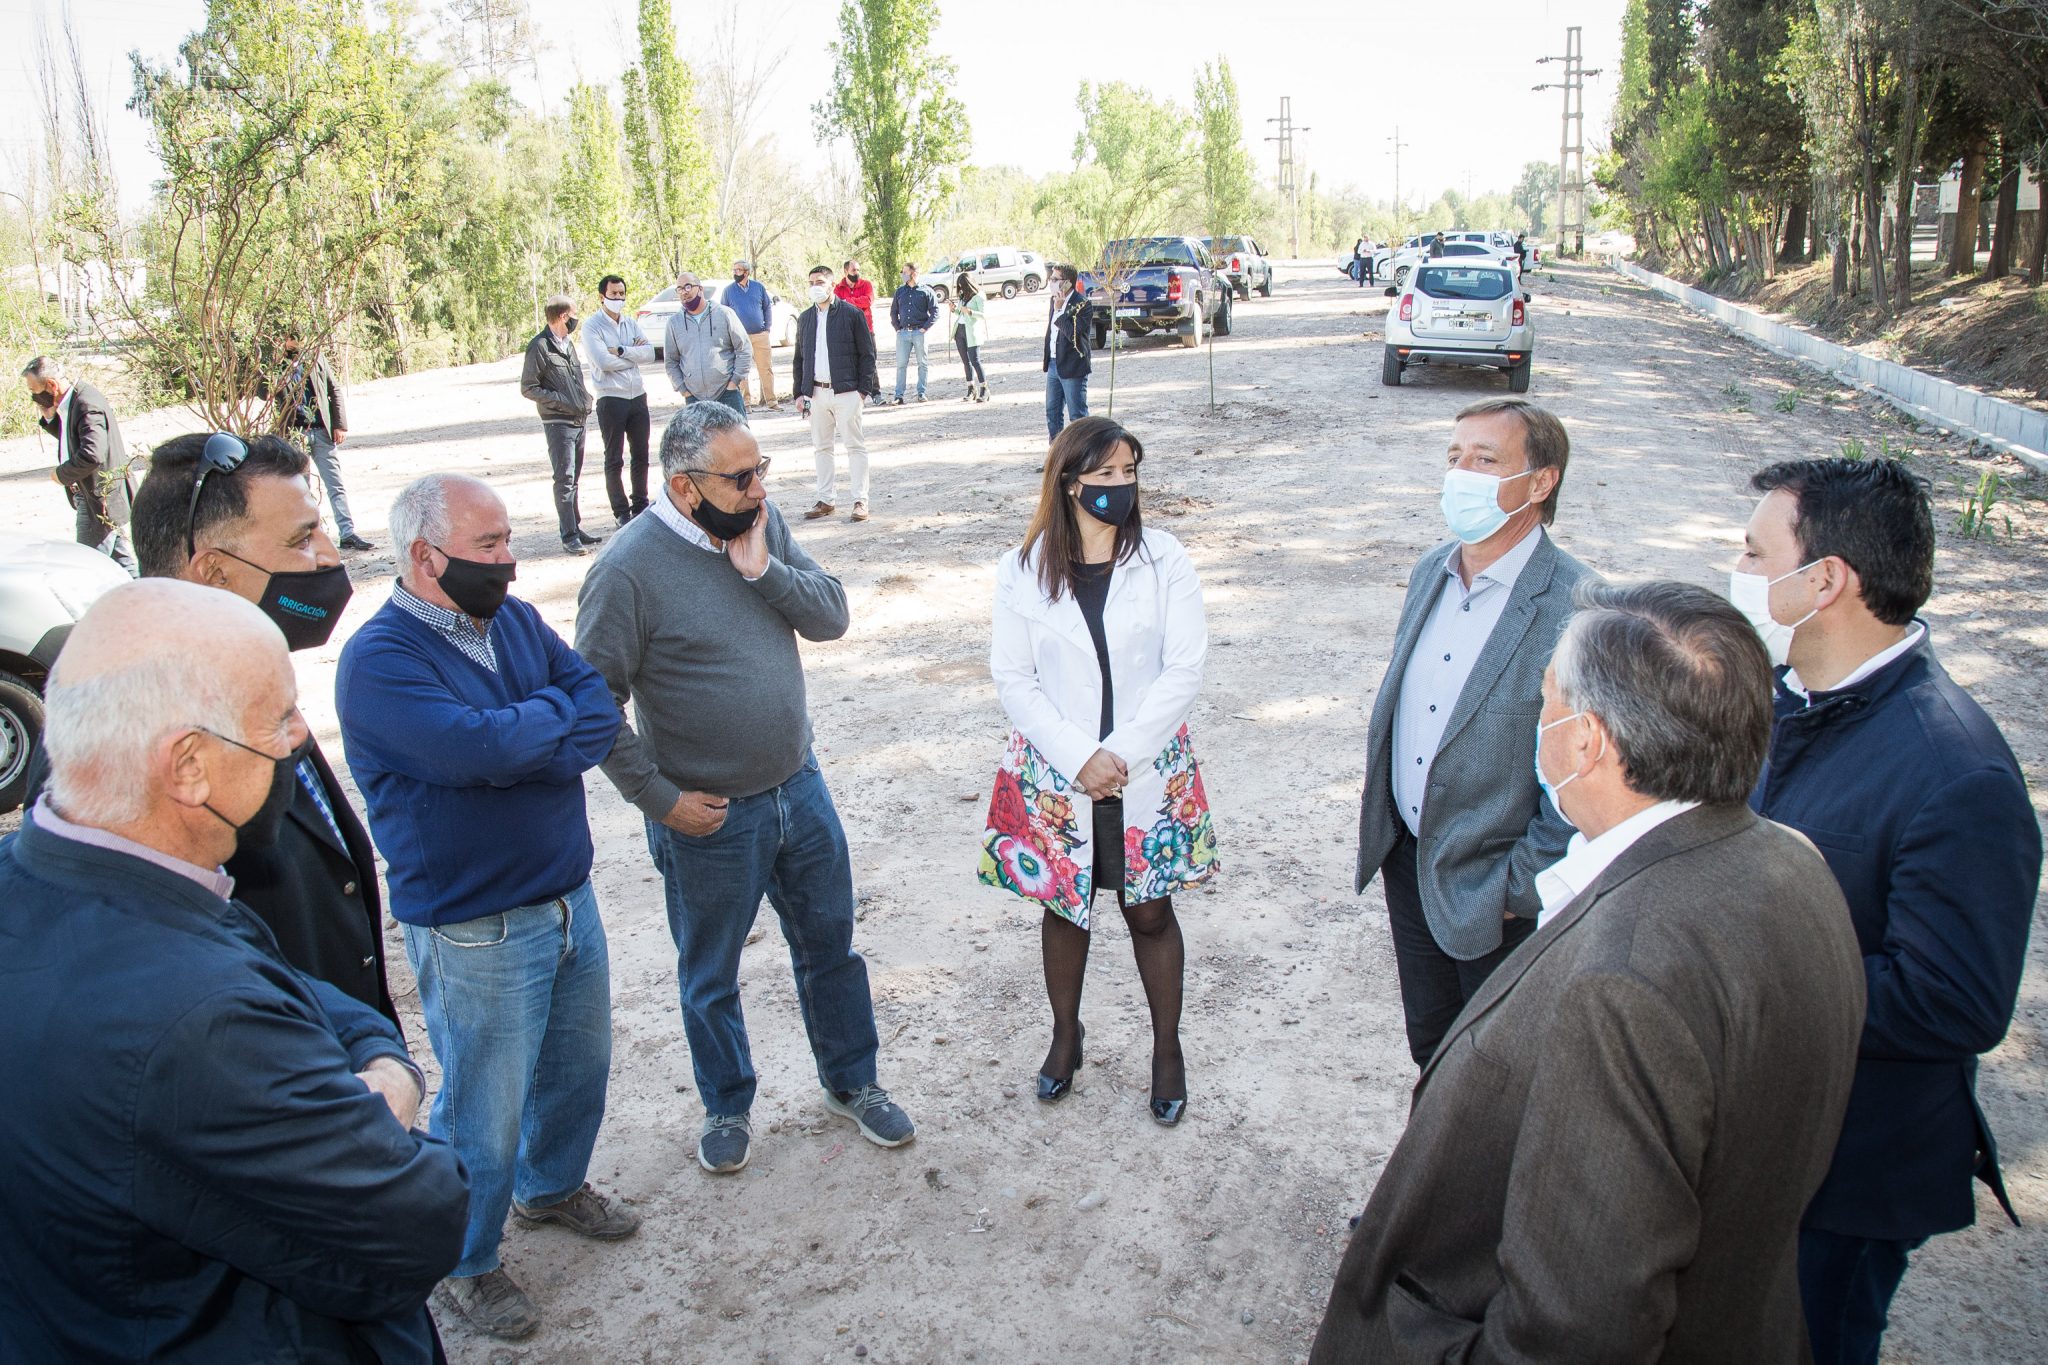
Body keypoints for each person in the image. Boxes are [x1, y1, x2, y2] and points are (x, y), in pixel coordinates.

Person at [1312, 581, 1866, 1363]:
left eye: (1546, 700)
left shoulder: (1622, 986)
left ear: (1587, 742)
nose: (1537, 720)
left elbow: (1576, 1330)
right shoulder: (1793, 861)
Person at [0, 579, 468, 1362]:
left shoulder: (81, 879)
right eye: (279, 717)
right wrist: (391, 1083)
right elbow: (422, 1216)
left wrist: (364, 1048)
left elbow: (292, 987)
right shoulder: (197, 1018)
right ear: (188, 765)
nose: (299, 736)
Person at [1731, 457, 2042, 1365]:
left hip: (1846, 1173)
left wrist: (1742, 981)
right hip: (1768, 1135)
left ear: (1825, 580)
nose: (1738, 570)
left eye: (1754, 553)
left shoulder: (1956, 771)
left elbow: (1954, 999)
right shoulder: (1787, 699)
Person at [576, 401, 915, 1177]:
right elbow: (591, 704)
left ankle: (852, 1082)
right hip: (708, 818)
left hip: (801, 786)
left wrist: (764, 572)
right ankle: (726, 1103)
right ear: (683, 486)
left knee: (830, 947)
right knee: (711, 973)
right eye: (739, 478)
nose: (758, 488)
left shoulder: (760, 524)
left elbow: (831, 616)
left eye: (760, 469)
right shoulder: (626, 570)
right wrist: (661, 799)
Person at [336, 473, 634, 1341]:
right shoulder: (379, 660)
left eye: (507, 539)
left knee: (578, 1069)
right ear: (425, 556)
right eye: (490, 544)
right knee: (483, 1109)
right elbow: (476, 751)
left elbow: (595, 704)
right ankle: (464, 1260)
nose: (509, 560)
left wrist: (522, 736)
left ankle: (552, 1187)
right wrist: (535, 731)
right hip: (477, 925)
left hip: (567, 896)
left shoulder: (515, 621)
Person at [118, 431, 399, 1021]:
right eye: (302, 539)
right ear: (215, 573)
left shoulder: (247, 673)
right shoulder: (133, 740)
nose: (330, 557)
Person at [984, 416, 1214, 1125]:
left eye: (1129, 471)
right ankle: (1065, 1035)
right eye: (1105, 473)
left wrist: (1122, 753)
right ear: (1068, 481)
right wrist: (1080, 757)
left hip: (1145, 770)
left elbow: (1185, 667)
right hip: (1060, 773)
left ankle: (1167, 1050)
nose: (1121, 485)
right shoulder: (1023, 568)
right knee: (1066, 907)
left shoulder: (1164, 558)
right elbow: (1013, 677)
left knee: (1150, 911)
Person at [1355, 398, 1595, 1068]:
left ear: (1541, 481)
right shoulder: (1431, 570)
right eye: (1454, 457)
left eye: (1485, 460)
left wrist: (1520, 886)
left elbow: (1585, 770)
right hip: (1410, 863)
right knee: (1431, 1049)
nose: (1460, 474)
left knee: (1499, 1069)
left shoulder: (1581, 606)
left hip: (1497, 888)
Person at [20, 355, 136, 573]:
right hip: (92, 495)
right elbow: (73, 438)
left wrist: (61, 474)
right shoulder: (72, 401)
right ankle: (144, 592)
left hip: (99, 498)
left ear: (51, 385)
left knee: (87, 567)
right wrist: (50, 418)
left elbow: (92, 453)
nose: (34, 397)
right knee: (121, 564)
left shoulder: (85, 403)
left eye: (34, 391)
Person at [791, 262, 880, 523]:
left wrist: (863, 390)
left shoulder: (851, 314)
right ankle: (826, 499)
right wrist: (800, 393)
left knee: (854, 446)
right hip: (816, 393)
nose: (815, 287)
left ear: (832, 284)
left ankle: (860, 500)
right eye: (811, 283)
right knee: (821, 447)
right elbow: (799, 358)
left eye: (819, 282)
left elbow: (867, 354)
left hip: (847, 392)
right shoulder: (805, 318)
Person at [270, 331, 374, 552]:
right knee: (301, 488)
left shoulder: (316, 356)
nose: (297, 341)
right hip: (294, 434)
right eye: (291, 337)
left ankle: (347, 533)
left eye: (298, 336)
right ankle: (308, 537)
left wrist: (340, 424)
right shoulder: (277, 364)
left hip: (322, 430)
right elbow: (264, 393)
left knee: (335, 484)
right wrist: (276, 363)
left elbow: (333, 388)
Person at [519, 295, 603, 556]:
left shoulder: (568, 344)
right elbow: (529, 387)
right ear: (563, 316)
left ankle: (575, 527)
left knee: (574, 478)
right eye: (574, 315)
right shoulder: (539, 346)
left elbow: (575, 380)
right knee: (564, 479)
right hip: (558, 422)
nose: (576, 320)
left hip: (578, 420)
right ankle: (569, 536)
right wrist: (561, 401)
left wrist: (584, 400)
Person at [585, 273, 658, 527]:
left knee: (641, 454)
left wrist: (622, 351)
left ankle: (640, 505)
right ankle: (621, 511)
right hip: (611, 398)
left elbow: (649, 354)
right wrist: (632, 356)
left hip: (637, 396)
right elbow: (602, 362)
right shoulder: (592, 326)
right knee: (614, 458)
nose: (618, 298)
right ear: (602, 296)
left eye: (621, 293)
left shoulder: (630, 323)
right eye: (613, 294)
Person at [662, 269, 752, 420]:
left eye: (688, 286)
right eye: (680, 289)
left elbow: (744, 349)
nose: (684, 292)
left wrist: (734, 382)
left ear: (700, 289)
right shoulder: (674, 323)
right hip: (694, 399)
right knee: (697, 436)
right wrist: (684, 390)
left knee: (737, 434)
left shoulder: (724, 314)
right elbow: (670, 362)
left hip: (727, 394)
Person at [1042, 264, 1093, 441]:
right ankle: (1056, 452)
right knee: (1052, 412)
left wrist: (1060, 310)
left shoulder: (1082, 304)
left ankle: (1083, 453)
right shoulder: (1053, 300)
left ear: (1067, 283)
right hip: (1053, 364)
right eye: (1051, 278)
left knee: (1077, 416)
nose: (1051, 282)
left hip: (1073, 366)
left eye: (1055, 279)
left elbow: (1073, 334)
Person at [721, 259, 779, 410]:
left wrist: (767, 328)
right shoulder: (728, 291)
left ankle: (771, 401)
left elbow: (767, 307)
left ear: (746, 272)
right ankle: (746, 403)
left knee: (766, 369)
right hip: (739, 338)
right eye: (734, 270)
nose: (735, 273)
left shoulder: (758, 287)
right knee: (742, 372)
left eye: (738, 270)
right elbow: (723, 313)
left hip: (760, 335)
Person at [889, 261, 938, 404]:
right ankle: (899, 395)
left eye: (905, 272)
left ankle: (921, 393)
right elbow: (893, 311)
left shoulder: (926, 291)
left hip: (919, 332)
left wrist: (925, 328)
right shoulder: (900, 291)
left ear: (914, 273)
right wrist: (897, 328)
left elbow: (935, 311)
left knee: (922, 364)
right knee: (901, 365)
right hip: (903, 333)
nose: (903, 275)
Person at [950, 271, 988, 403]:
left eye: (963, 285)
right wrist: (954, 309)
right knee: (966, 362)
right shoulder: (963, 297)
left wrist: (970, 311)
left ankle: (984, 389)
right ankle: (971, 388)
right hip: (959, 330)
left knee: (975, 361)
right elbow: (960, 313)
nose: (961, 288)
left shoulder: (979, 296)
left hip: (972, 332)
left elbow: (983, 315)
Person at [833, 257, 875, 333]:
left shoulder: (866, 284)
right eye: (853, 270)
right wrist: (859, 303)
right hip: (847, 330)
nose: (856, 273)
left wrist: (847, 301)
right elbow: (837, 307)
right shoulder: (838, 288)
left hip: (866, 329)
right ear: (846, 272)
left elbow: (868, 301)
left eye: (858, 270)